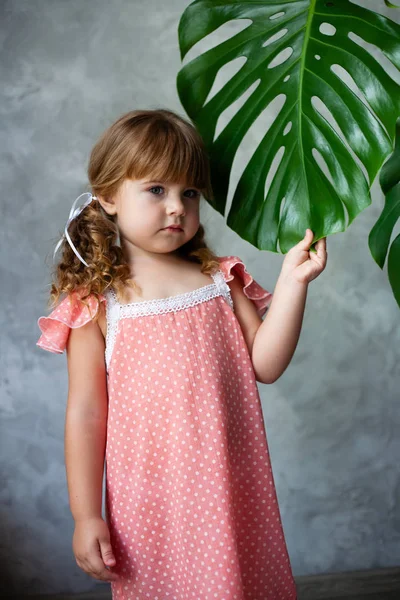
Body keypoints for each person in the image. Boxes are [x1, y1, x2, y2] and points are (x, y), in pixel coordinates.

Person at [36, 108, 327, 600]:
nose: (176, 207)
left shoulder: (220, 278)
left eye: (189, 193)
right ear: (107, 196)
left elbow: (266, 365)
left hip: (229, 488)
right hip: (151, 503)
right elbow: (86, 413)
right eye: (156, 190)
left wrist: (293, 283)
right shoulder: (96, 304)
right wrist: (86, 515)